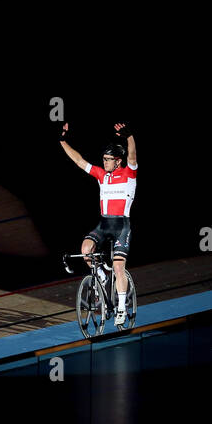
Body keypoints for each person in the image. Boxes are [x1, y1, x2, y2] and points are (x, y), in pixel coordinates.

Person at [60, 123, 138, 325]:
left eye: (107, 159)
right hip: (104, 224)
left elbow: (132, 157)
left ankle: (121, 307)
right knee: (86, 249)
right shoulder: (102, 176)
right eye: (103, 159)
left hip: (122, 226)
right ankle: (102, 275)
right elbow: (79, 161)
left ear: (117, 161)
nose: (104, 162)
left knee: (119, 267)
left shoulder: (129, 174)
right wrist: (61, 140)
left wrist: (129, 137)